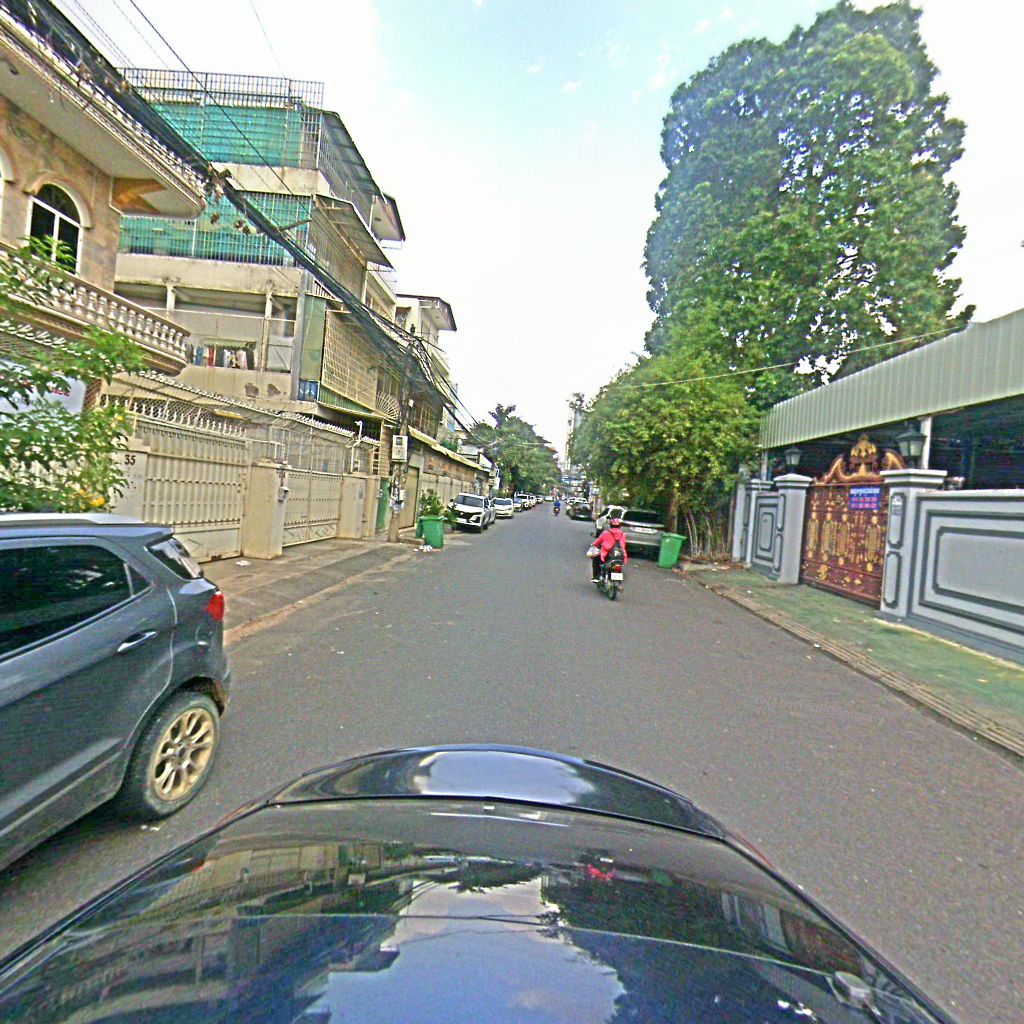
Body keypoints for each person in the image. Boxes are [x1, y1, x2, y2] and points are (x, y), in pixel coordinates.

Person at [592, 517, 628, 582]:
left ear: (610, 525)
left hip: (606, 553)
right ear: (619, 526)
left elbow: (598, 541)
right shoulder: (623, 534)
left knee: (595, 559)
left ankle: (596, 577)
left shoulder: (606, 533)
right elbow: (624, 544)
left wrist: (594, 545)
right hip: (620, 554)